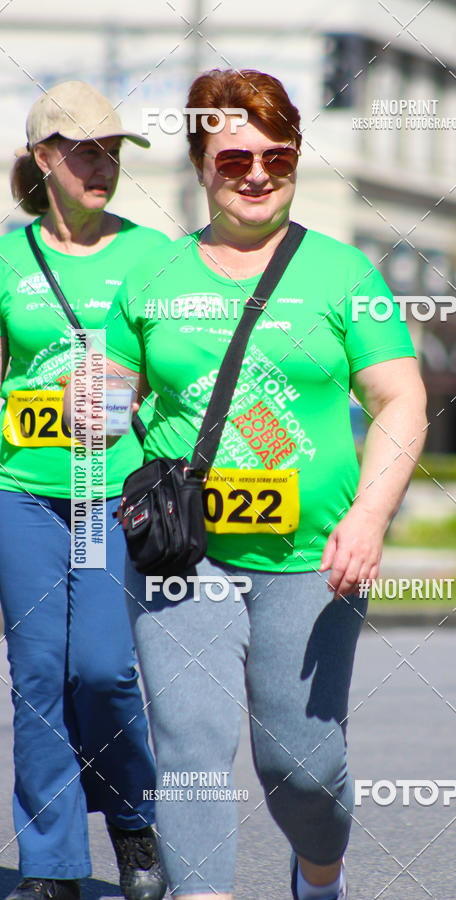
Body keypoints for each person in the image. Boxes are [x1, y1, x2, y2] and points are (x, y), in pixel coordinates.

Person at [99, 68, 427, 899]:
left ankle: (319, 875)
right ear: (201, 165)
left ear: (296, 159)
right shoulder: (152, 279)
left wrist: (371, 518)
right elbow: (103, 404)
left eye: (277, 156)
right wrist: (82, 405)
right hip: (184, 553)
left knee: (303, 771)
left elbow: (401, 400)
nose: (256, 173)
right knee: (192, 748)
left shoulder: (344, 274)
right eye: (234, 156)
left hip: (313, 559)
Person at [0, 81, 169, 900]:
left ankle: (134, 817)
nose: (101, 165)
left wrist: (133, 392)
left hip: (110, 491)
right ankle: (53, 868)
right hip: (23, 491)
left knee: (102, 670)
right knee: (37, 676)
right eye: (83, 151)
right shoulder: (7, 256)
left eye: (111, 150)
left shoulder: (154, 256)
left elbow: (185, 375)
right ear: (44, 159)